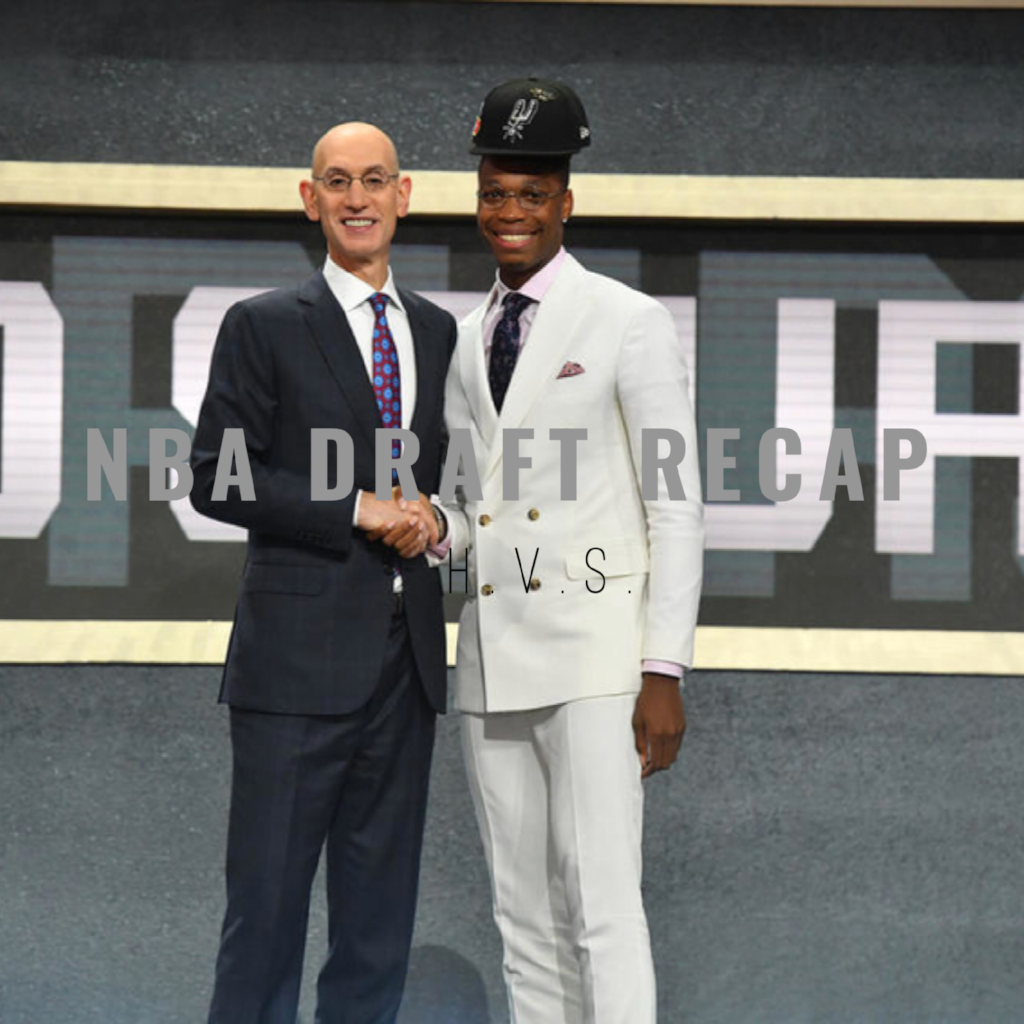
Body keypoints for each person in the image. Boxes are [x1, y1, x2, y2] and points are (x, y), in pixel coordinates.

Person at [438, 79, 705, 1023]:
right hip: (491, 661)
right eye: (494, 194)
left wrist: (663, 667)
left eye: (531, 194)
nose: (510, 212)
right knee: (522, 920)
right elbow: (476, 508)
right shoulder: (464, 339)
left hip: (597, 663)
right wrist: (427, 526)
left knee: (602, 909)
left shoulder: (629, 320)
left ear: (566, 202)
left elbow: (676, 504)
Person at [189, 122, 455, 1024]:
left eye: (374, 180)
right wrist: (356, 507)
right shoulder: (263, 324)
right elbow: (218, 478)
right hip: (293, 667)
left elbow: (445, 475)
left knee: (377, 929)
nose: (357, 198)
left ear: (403, 195)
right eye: (337, 181)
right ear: (311, 200)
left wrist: (433, 515)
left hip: (406, 665)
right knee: (265, 919)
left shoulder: (437, 331)